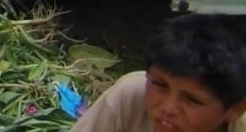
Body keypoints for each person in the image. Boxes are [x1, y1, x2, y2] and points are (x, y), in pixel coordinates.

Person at [72, 14, 246, 132]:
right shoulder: (130, 96)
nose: (168, 109)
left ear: (235, 109)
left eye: (193, 100)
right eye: (160, 85)